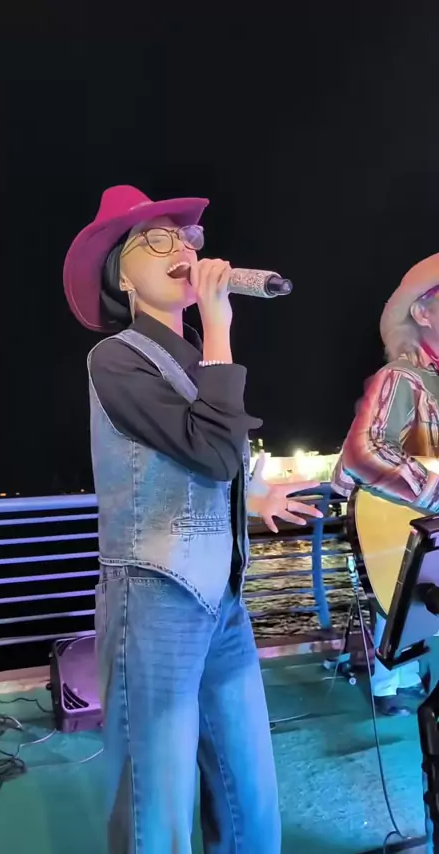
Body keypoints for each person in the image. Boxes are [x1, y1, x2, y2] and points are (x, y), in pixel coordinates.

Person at [63, 185, 322, 854]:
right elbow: (209, 449)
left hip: (221, 595)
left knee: (248, 787)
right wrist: (219, 325)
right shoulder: (116, 357)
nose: (180, 247)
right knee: (160, 796)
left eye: (185, 237)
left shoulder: (193, 357)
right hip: (154, 595)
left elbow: (209, 458)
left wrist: (254, 497)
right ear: (121, 276)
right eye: (156, 239)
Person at [332, 253, 439, 717]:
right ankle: (390, 679)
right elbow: (362, 453)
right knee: (402, 594)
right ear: (422, 313)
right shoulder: (402, 377)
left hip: (421, 526)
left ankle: (402, 675)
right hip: (401, 522)